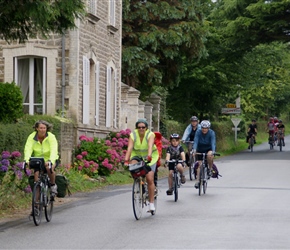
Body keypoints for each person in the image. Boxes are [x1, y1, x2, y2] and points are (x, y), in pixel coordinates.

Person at [124, 118, 159, 212]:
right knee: (133, 168)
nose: (141, 129)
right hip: (137, 156)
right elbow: (130, 148)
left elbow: (150, 146)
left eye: (143, 127)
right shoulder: (133, 135)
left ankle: (151, 204)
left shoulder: (150, 134)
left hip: (150, 157)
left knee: (149, 178)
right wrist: (126, 160)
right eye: (139, 127)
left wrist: (149, 155)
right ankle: (139, 183)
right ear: (136, 128)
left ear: (146, 128)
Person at [24, 120, 59, 195]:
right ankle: (36, 204)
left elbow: (54, 150)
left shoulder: (51, 137)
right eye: (40, 128)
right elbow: (28, 148)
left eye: (44, 128)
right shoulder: (32, 137)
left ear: (47, 129)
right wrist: (27, 160)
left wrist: (51, 161)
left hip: (50, 158)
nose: (42, 130)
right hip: (38, 160)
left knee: (49, 168)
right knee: (36, 177)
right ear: (36, 128)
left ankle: (53, 185)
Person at [192, 120, 216, 189]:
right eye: (203, 128)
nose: (204, 129)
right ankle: (197, 181)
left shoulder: (211, 133)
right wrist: (194, 150)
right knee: (200, 165)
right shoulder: (198, 132)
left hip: (209, 148)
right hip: (200, 149)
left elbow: (213, 143)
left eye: (206, 128)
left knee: (209, 155)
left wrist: (213, 151)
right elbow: (196, 141)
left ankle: (210, 169)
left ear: (208, 128)